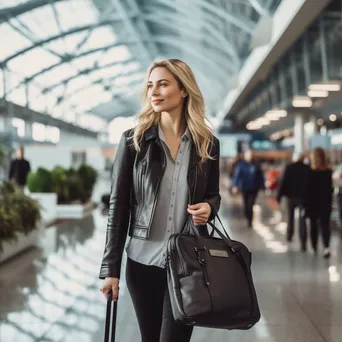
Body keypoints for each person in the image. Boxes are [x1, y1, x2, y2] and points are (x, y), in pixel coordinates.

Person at [99, 59, 221, 342]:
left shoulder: (207, 144)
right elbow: (117, 207)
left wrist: (210, 208)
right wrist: (111, 271)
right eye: (151, 85)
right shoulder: (134, 142)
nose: (154, 91)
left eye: (163, 84)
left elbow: (213, 194)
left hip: (187, 263)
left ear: (183, 90)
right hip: (142, 262)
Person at [276, 153, 310, 249]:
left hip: (290, 197)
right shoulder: (307, 168)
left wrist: (279, 196)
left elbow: (283, 182)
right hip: (303, 198)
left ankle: (289, 236)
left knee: (290, 218)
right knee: (302, 220)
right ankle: (303, 241)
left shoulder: (289, 168)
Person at [304, 148, 333, 258]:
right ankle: (326, 247)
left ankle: (314, 247)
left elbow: (307, 190)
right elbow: (329, 190)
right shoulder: (328, 172)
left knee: (313, 225)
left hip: (312, 203)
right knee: (325, 226)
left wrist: (305, 205)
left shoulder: (309, 172)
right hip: (325, 202)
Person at [232, 149, 264, 228]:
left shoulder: (256, 164)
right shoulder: (241, 165)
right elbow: (237, 176)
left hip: (254, 188)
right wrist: (235, 186)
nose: (250, 157)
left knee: (251, 204)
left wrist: (263, 186)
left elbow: (260, 176)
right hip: (244, 187)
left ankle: (250, 220)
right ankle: (247, 215)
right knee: (246, 205)